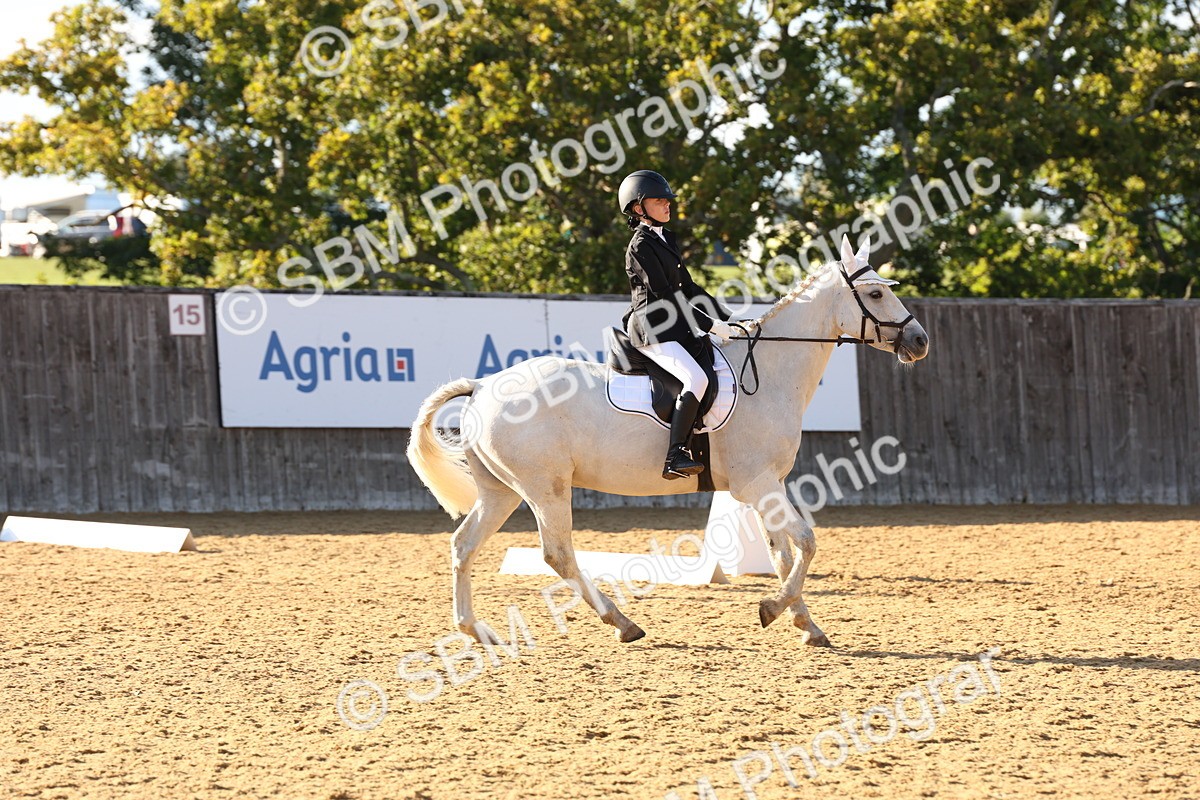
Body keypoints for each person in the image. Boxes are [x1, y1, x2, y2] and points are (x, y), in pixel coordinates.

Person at [618, 169, 736, 480]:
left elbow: (690, 289)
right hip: (653, 330)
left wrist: (727, 318)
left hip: (675, 329)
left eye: (668, 200)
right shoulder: (640, 246)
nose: (668, 205)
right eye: (660, 201)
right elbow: (668, 296)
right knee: (696, 379)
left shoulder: (666, 238)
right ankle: (675, 457)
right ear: (638, 208)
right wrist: (709, 325)